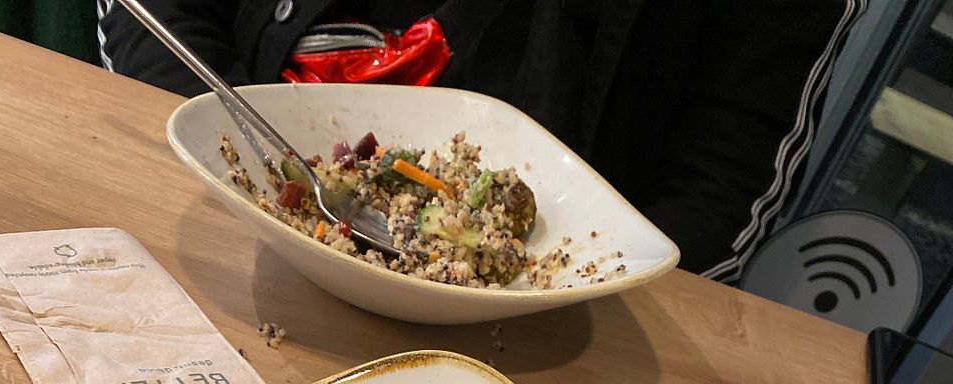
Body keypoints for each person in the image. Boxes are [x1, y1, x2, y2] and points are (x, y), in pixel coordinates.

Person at [98, 0, 865, 278]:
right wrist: (242, 178)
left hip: (528, 325)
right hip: (224, 218)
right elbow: (165, 19)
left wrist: (532, 293)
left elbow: (719, 202)